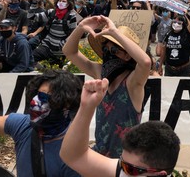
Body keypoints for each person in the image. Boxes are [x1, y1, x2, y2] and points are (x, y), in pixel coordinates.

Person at [0, 62, 81, 176]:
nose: (36, 101)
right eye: (37, 94)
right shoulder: (23, 125)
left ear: (67, 105)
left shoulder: (75, 153)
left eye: (45, 97)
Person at [62, 15, 151, 158]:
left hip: (124, 161)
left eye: (114, 51)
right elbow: (69, 52)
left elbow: (145, 62)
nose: (108, 55)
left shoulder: (133, 82)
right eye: (105, 49)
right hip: (99, 154)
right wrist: (80, 28)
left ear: (128, 56)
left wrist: (114, 32)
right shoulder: (101, 75)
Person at [60, 78, 180, 177]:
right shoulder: (124, 170)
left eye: (130, 170)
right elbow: (74, 156)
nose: (123, 170)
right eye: (121, 162)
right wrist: (86, 107)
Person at [33, 0, 77, 66]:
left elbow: (74, 33)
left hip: (61, 50)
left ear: (68, 4)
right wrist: (34, 1)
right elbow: (32, 17)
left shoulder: (71, 16)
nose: (61, 3)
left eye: (64, 1)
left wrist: (63, 44)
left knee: (58, 69)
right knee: (32, 57)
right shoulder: (51, 12)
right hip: (47, 46)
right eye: (60, 1)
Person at [158, 2, 190, 77]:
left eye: (179, 23)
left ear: (183, 25)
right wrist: (160, 66)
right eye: (175, 22)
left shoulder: (186, 33)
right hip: (169, 68)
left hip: (184, 69)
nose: (176, 24)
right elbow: (164, 51)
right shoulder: (168, 34)